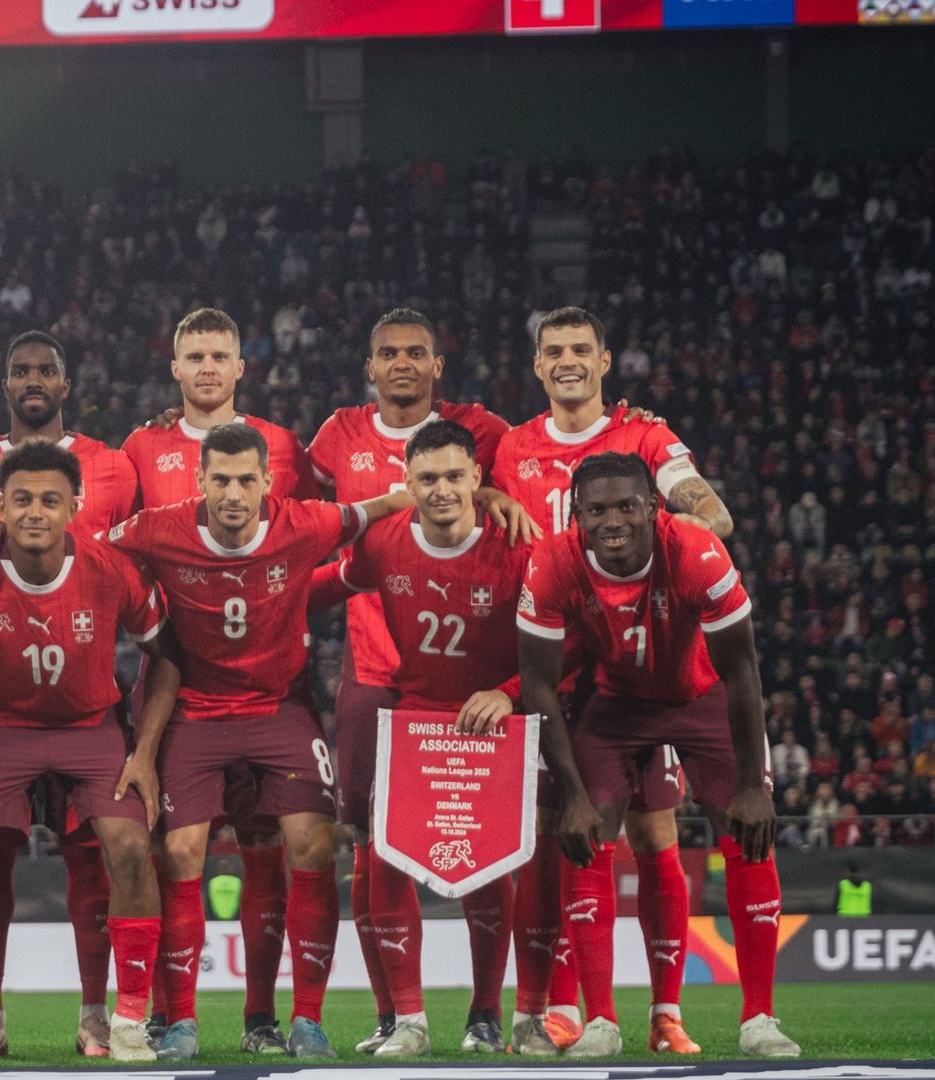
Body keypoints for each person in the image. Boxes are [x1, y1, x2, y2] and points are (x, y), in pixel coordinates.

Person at [104, 422, 412, 1060]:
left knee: (314, 842)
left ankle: (306, 1020)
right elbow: (88, 547)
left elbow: (381, 506)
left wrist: (484, 496)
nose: (234, 493)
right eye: (221, 479)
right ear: (200, 481)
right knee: (183, 851)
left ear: (268, 482)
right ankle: (182, 1022)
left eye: (247, 479)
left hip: (279, 709)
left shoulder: (305, 522)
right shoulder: (159, 527)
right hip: (196, 711)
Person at [490, 306, 735, 1056]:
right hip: (545, 668)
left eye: (580, 349)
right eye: (553, 350)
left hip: (632, 672)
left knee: (655, 831)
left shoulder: (644, 436)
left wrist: (702, 519)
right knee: (561, 839)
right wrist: (492, 498)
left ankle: (667, 1012)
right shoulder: (510, 449)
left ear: (604, 360)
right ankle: (562, 1008)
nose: (567, 360)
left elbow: (698, 501)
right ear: (537, 365)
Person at [517, 453, 799, 1058]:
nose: (612, 520)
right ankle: (602, 1023)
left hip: (704, 696)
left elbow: (743, 669)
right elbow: (538, 685)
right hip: (617, 703)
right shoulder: (553, 562)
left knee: (749, 834)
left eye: (626, 506)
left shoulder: (697, 554)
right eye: (596, 510)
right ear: (576, 515)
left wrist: (753, 784)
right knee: (583, 835)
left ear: (654, 506)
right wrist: (570, 795)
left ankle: (760, 1020)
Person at [305, 308, 529, 1056]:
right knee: (371, 850)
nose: (401, 363)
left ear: (439, 364)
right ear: (368, 367)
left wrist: (501, 498)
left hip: (474, 686)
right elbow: (309, 527)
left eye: (416, 352)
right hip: (376, 680)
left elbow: (515, 482)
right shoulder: (337, 435)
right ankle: (394, 1015)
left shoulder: (485, 431)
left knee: (487, 847)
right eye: (387, 353)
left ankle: (490, 1011)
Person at [0, 441, 181, 1063]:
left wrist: (143, 752)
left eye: (50, 500)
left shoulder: (110, 568)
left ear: (75, 507)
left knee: (133, 851)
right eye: (22, 499)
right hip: (1, 727)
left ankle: (126, 1023)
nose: (35, 512)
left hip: (91, 728)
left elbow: (166, 657)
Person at [0, 331, 139, 1057]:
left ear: (65, 383)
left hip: (89, 695)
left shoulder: (115, 465)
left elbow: (130, 560)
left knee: (95, 858)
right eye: (19, 369)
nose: (32, 380)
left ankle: (97, 1015)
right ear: (4, 383)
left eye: (45, 370)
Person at [119, 307, 309, 1052]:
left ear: (240, 366)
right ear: (174, 368)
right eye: (192, 354)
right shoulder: (140, 445)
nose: (205, 367)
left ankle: (262, 1017)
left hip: (267, 680)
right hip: (175, 681)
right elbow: (111, 537)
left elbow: (316, 527)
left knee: (268, 843)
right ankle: (171, 1010)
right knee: (176, 851)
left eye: (218, 354)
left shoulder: (284, 446)